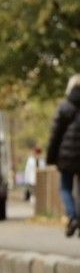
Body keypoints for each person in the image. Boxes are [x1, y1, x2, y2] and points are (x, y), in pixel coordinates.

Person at [47, 74, 80, 237]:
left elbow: (55, 134)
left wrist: (50, 156)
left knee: (66, 188)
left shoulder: (65, 107)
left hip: (66, 155)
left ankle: (73, 217)